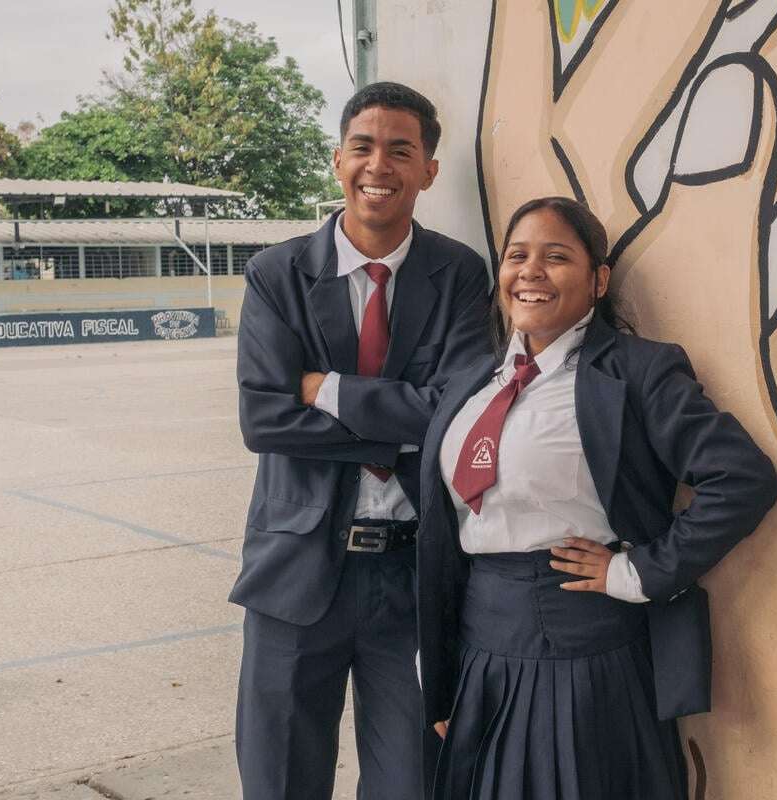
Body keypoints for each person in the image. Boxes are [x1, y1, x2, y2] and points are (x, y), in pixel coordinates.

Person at [416, 197, 777, 799]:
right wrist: (444, 676)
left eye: (556, 257)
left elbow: (743, 478)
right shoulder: (471, 384)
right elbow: (446, 538)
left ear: (599, 279)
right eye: (516, 256)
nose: (530, 271)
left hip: (585, 653)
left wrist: (640, 571)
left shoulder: (638, 371)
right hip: (482, 653)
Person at [230, 81, 492, 800]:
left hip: (412, 579)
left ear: (428, 170)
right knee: (282, 781)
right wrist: (402, 431)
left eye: (401, 151)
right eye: (363, 147)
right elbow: (264, 421)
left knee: (414, 782)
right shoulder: (277, 275)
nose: (379, 165)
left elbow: (456, 413)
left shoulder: (460, 275)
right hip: (295, 571)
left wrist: (327, 390)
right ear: (338, 160)